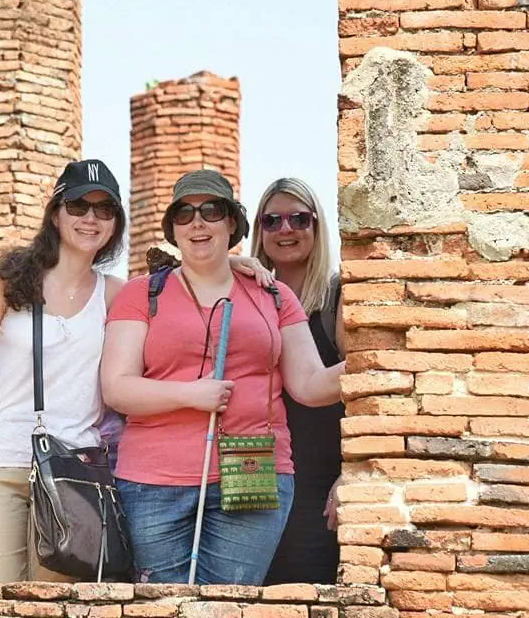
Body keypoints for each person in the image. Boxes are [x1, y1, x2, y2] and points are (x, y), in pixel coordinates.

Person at [0, 159, 272, 583]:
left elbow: (188, 279)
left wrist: (237, 265)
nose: (90, 218)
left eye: (104, 209)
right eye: (78, 205)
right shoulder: (11, 279)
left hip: (73, 470)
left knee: (53, 608)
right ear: (56, 214)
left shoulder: (117, 294)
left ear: (115, 223)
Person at [100, 169, 345, 585]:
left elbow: (308, 383)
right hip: (155, 480)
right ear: (173, 229)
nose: (197, 222)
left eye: (211, 211)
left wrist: (384, 360)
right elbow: (117, 387)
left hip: (253, 467)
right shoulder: (142, 294)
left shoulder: (273, 295)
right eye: (184, 213)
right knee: (163, 607)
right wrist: (190, 395)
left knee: (229, 605)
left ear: (232, 223)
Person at [253, 178, 345, 585]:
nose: (285, 229)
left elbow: (371, 389)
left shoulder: (337, 297)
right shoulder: (245, 298)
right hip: (252, 479)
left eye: (298, 219)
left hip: (317, 484)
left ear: (317, 226)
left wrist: (354, 474)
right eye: (271, 220)